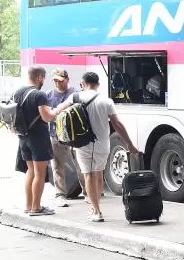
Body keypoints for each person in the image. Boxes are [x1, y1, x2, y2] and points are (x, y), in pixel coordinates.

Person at [55, 72, 139, 222]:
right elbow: (117, 124)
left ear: (82, 83)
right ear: (98, 84)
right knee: (98, 174)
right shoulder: (106, 101)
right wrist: (129, 144)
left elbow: (57, 112)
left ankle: (96, 211)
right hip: (102, 144)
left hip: (82, 143)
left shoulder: (75, 97)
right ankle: (97, 205)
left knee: (88, 175)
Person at [14, 66, 58, 216]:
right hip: (38, 137)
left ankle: (28, 205)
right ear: (39, 77)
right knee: (40, 173)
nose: (43, 81)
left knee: (31, 171)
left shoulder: (18, 92)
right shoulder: (39, 95)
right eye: (44, 78)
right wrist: (57, 110)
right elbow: (47, 117)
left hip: (23, 137)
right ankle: (37, 207)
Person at [46, 68, 77, 205]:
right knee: (57, 166)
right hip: (55, 135)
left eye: (60, 80)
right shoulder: (49, 95)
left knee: (80, 166)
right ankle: (60, 194)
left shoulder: (74, 93)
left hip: (73, 136)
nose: (57, 83)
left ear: (67, 79)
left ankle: (89, 192)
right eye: (55, 81)